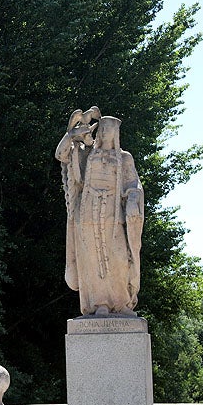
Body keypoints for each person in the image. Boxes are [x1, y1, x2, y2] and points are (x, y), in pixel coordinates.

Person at [55, 110, 144, 317]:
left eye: (110, 131)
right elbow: (61, 155)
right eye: (103, 130)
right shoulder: (86, 153)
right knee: (92, 259)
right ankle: (99, 303)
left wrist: (132, 199)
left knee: (119, 257)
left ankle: (121, 304)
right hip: (88, 212)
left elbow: (134, 184)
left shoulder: (124, 158)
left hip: (113, 214)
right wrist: (72, 135)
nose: (105, 134)